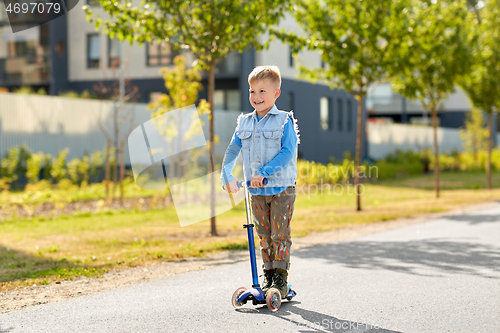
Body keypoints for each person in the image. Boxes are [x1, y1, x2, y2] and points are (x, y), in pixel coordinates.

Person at [221, 65, 299, 297]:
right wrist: (227, 175)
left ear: (276, 94)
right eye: (252, 91)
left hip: (282, 188)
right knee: (264, 236)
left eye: (262, 91)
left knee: (279, 235)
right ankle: (268, 277)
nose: (256, 97)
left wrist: (264, 172)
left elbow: (288, 152)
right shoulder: (243, 123)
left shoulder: (284, 121)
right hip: (255, 191)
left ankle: (281, 280)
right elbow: (232, 151)